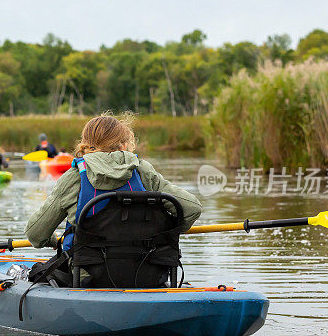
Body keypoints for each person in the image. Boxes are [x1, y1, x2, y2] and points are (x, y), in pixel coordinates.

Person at [24, 113, 202, 287]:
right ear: (124, 144)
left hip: (87, 279)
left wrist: (54, 240)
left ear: (86, 144)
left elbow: (35, 235)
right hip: (149, 276)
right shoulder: (142, 171)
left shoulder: (74, 177)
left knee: (39, 272)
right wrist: (166, 234)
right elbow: (192, 208)